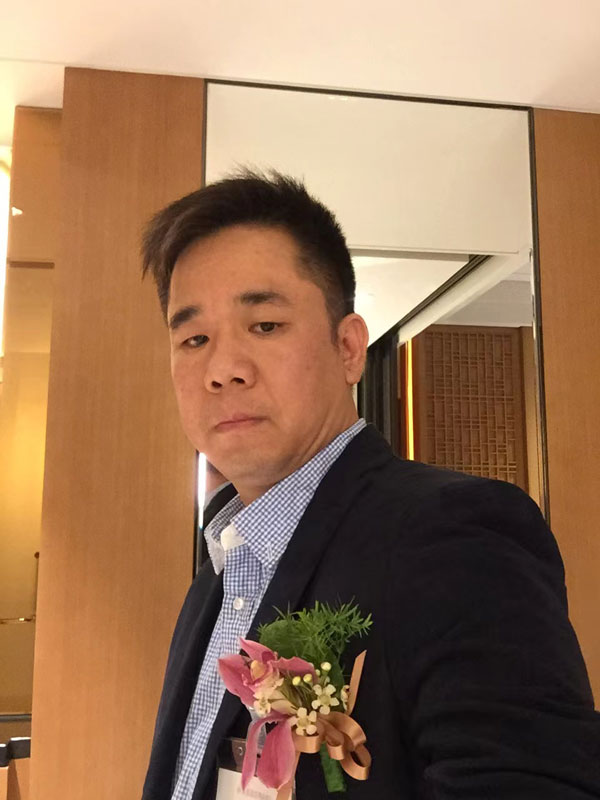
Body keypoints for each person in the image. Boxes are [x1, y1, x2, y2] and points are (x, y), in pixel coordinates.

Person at [141, 171, 600, 800]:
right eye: (194, 338)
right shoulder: (214, 581)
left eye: (265, 325)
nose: (222, 369)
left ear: (349, 348)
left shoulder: (453, 533)